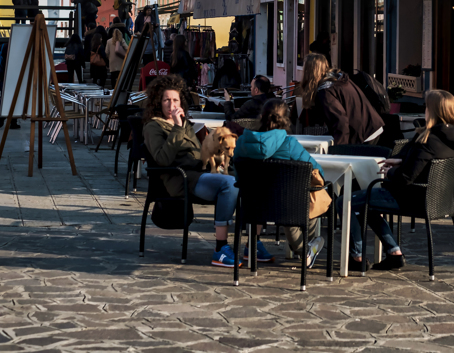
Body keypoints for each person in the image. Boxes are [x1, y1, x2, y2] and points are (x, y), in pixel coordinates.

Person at [348, 89, 454, 272]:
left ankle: (356, 258)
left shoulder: (429, 140)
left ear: (433, 111)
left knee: (347, 201)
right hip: (438, 200)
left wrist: (389, 173)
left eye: (426, 107)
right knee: (365, 203)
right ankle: (393, 253)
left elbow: (405, 178)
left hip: (409, 197)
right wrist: (401, 160)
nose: (424, 111)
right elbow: (427, 163)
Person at [142, 75, 240, 267]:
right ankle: (220, 248)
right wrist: (178, 128)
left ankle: (255, 243)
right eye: (167, 100)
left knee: (244, 179)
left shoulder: (185, 124)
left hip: (199, 173)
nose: (172, 105)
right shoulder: (153, 126)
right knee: (229, 184)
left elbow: (197, 153)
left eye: (176, 100)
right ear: (158, 103)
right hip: (181, 179)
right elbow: (162, 159)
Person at [233, 98, 329, 267]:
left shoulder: (242, 143)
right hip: (287, 206)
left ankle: (304, 248)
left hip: (254, 205)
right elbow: (315, 170)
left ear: (261, 117)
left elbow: (238, 173)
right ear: (285, 120)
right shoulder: (290, 144)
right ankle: (306, 248)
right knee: (311, 193)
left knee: (294, 198)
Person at [297, 53, 385, 145]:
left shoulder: (326, 91)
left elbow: (340, 122)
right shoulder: (338, 81)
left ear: (308, 72)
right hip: (370, 125)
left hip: (363, 133)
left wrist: (339, 150)